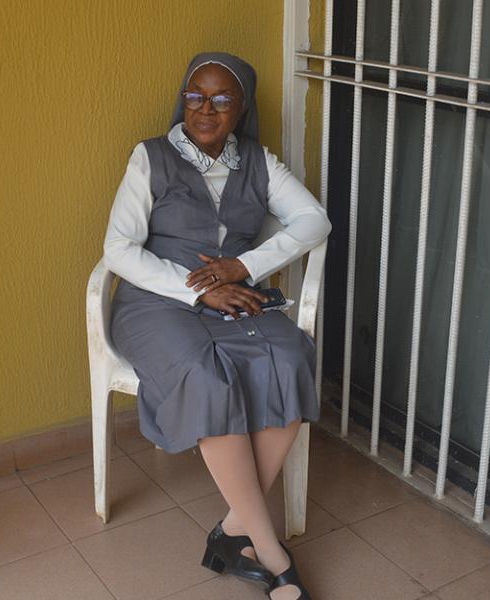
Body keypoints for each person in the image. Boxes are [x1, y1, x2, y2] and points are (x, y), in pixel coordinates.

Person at [102, 52, 330, 600]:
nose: (205, 109)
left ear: (241, 107)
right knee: (206, 378)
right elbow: (118, 249)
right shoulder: (150, 157)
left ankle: (231, 530)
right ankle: (270, 550)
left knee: (292, 356)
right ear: (183, 99)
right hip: (157, 302)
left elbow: (313, 220)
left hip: (236, 297)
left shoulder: (257, 161)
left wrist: (244, 266)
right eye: (195, 96)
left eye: (222, 98)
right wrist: (197, 285)